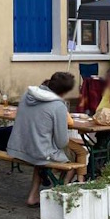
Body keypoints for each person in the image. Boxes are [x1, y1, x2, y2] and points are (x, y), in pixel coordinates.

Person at [6, 72, 77, 207]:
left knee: (41, 153)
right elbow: (62, 142)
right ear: (64, 92)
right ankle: (59, 195)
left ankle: (33, 196)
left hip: (17, 147)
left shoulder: (28, 94)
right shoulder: (58, 106)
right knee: (74, 162)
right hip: (37, 152)